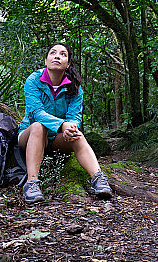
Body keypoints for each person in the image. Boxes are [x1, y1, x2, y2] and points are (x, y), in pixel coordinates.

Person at [18, 42, 113, 203]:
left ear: (68, 63)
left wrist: (71, 127)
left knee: (77, 135)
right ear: (46, 60)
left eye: (63, 54)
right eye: (53, 53)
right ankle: (32, 183)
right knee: (38, 126)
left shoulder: (74, 86)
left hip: (56, 140)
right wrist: (62, 124)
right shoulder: (33, 80)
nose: (57, 56)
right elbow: (36, 113)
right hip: (30, 137)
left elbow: (75, 115)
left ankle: (98, 178)